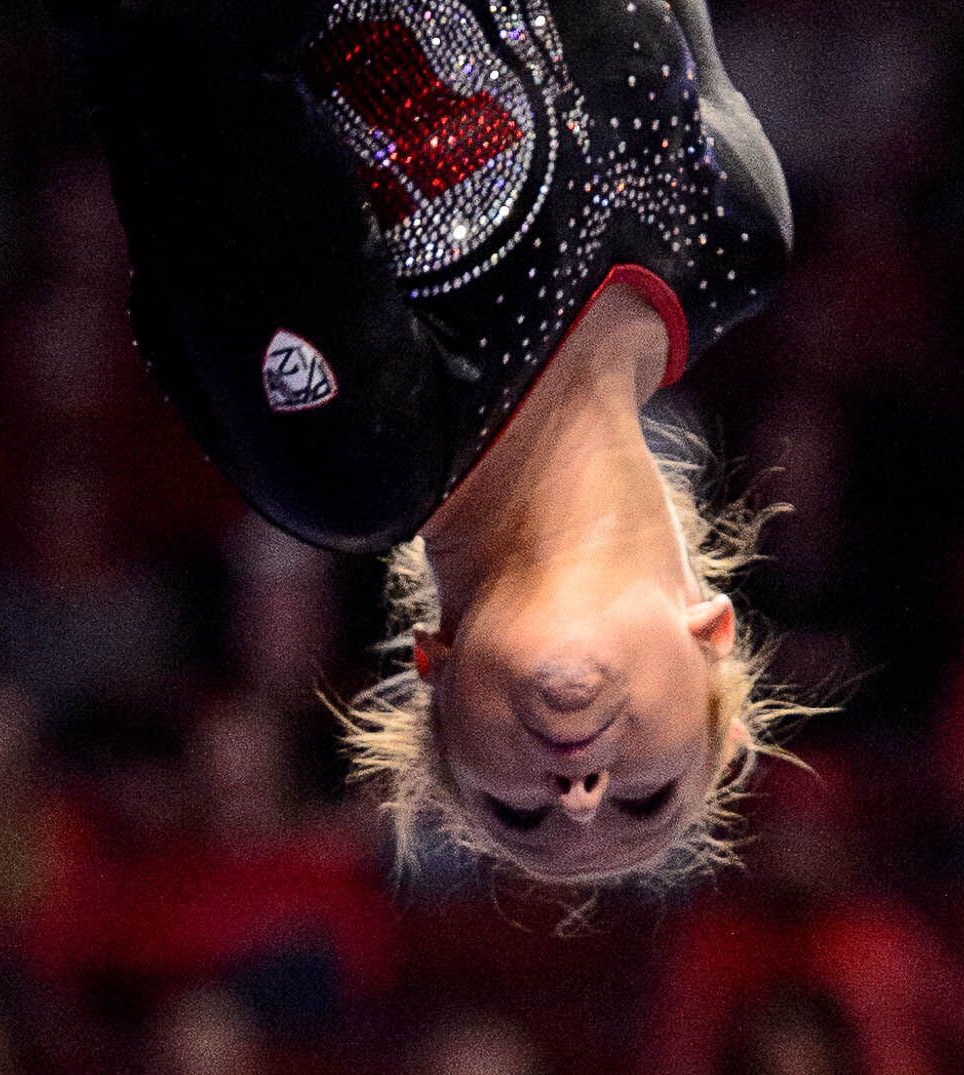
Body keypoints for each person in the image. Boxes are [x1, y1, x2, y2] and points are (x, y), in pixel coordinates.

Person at [79, 0, 795, 881]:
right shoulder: (734, 235)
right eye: (646, 799)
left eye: (516, 814)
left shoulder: (354, 457)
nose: (577, 798)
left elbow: (184, 55)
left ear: (434, 674)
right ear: (712, 635)